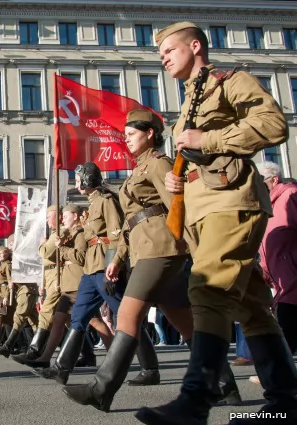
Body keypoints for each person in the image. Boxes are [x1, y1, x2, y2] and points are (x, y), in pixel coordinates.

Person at [135, 22, 297, 425]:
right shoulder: (188, 102)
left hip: (232, 202)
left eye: (169, 50)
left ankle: (196, 400)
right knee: (253, 307)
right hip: (203, 209)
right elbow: (193, 156)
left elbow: (274, 124)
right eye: (160, 54)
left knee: (205, 287)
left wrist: (205, 141)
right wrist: (177, 176)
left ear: (195, 46)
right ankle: (285, 400)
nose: (164, 57)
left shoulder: (230, 81)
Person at [62, 109, 240, 412]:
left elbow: (179, 207)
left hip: (162, 247)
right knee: (184, 323)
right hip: (145, 248)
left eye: (132, 134)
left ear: (149, 134)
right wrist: (119, 256)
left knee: (128, 314)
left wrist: (199, 252)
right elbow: (129, 224)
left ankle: (101, 388)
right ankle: (225, 386)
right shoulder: (139, 168)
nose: (127, 139)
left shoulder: (159, 164)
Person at [34, 162, 159, 386]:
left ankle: (150, 368)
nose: (77, 182)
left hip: (104, 265)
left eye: (80, 178)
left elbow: (116, 234)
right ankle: (62, 369)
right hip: (90, 268)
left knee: (127, 315)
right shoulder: (92, 203)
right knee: (79, 316)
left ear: (88, 180)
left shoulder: (106, 201)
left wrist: (115, 265)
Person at [11, 205, 61, 363]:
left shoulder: (60, 233)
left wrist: (42, 244)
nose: (46, 221)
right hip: (52, 276)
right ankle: (86, 354)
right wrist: (43, 283)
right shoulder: (54, 234)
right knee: (66, 318)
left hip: (59, 278)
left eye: (48, 217)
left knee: (46, 313)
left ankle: (34, 352)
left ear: (59, 217)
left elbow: (46, 253)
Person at [257, 161, 297, 355]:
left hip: (292, 275)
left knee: (285, 320)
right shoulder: (267, 206)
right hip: (279, 277)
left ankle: (280, 374)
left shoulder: (290, 195)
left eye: (261, 182)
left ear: (274, 180)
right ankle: (281, 373)